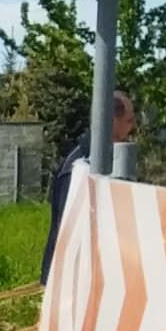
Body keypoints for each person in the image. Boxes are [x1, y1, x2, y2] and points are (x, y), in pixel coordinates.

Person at [40, 91, 138, 283]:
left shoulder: (110, 160)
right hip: (71, 278)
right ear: (111, 120)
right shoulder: (79, 167)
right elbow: (68, 227)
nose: (133, 126)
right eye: (129, 120)